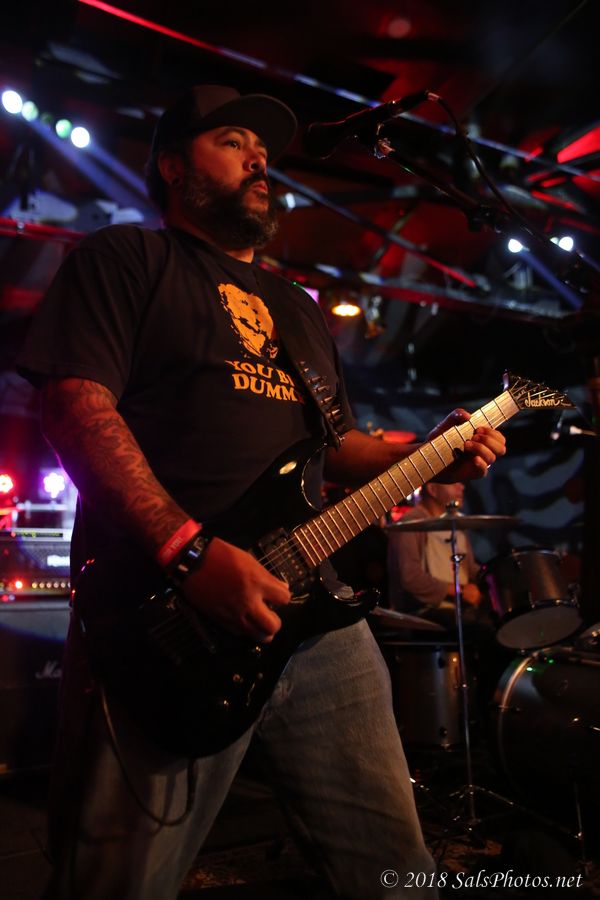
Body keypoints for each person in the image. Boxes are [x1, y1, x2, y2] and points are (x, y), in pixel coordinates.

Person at [17, 84, 506, 900]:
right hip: (168, 617)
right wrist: (188, 552)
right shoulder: (127, 259)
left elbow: (333, 449)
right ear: (173, 167)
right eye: (233, 141)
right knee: (117, 880)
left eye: (264, 150)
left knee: (395, 870)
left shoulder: (296, 308)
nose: (260, 160)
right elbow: (75, 406)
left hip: (316, 620)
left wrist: (431, 455)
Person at [386, 481, 485, 631]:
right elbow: (410, 578)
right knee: (482, 630)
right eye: (454, 483)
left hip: (458, 609)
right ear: (432, 489)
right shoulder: (410, 523)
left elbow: (469, 568)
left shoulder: (456, 523)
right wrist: (460, 591)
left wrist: (493, 578)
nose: (462, 486)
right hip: (423, 614)